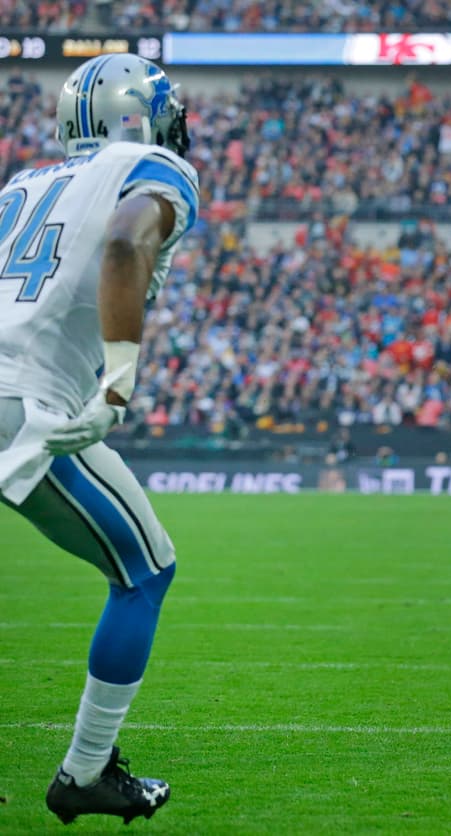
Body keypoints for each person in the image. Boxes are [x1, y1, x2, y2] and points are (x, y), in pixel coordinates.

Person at [0, 54, 198, 823]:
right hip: (28, 401)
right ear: (138, 116)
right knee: (145, 572)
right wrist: (119, 376)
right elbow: (124, 242)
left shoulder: (20, 185)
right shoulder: (148, 166)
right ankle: (85, 772)